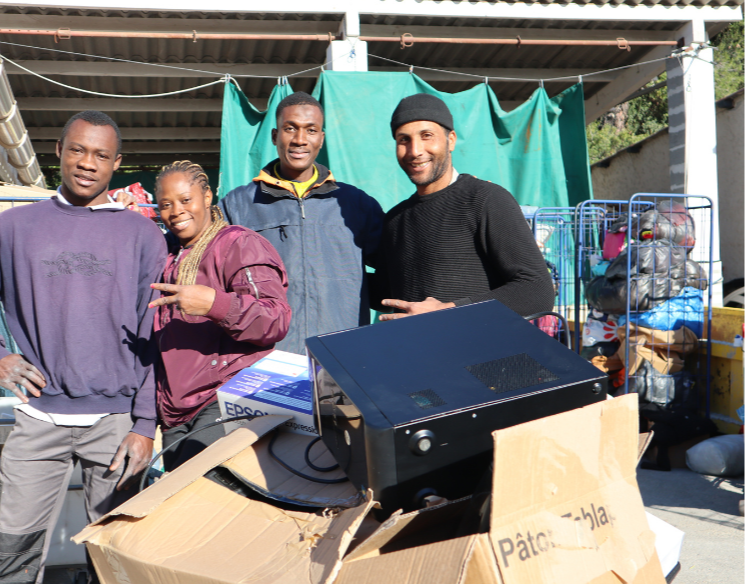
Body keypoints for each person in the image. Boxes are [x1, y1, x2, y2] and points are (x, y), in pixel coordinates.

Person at [0, 110, 166, 584]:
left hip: (116, 421)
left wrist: (145, 424)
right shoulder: (12, 228)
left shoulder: (141, 235)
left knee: (118, 555)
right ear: (59, 151)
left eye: (101, 155)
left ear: (116, 163)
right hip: (39, 417)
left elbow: (156, 332)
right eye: (78, 150)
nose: (87, 163)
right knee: (9, 552)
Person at [149, 161, 291, 470]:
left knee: (200, 490)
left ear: (207, 197)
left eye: (185, 200)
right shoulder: (164, 253)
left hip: (224, 399)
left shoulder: (238, 244)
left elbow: (276, 318)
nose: (176, 211)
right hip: (174, 412)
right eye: (166, 204)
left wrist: (216, 304)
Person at [221, 92, 384, 354]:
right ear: (275, 136)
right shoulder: (238, 205)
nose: (300, 139)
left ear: (321, 138)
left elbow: (395, 271)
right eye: (290, 129)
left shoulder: (356, 204)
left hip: (342, 355)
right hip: (268, 357)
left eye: (311, 130)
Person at [373, 93, 554, 320]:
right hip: (412, 344)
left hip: (479, 344)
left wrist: (450, 311)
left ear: (451, 140)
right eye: (403, 140)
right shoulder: (395, 220)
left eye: (427, 136)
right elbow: (384, 292)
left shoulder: (486, 200)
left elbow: (537, 291)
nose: (415, 150)